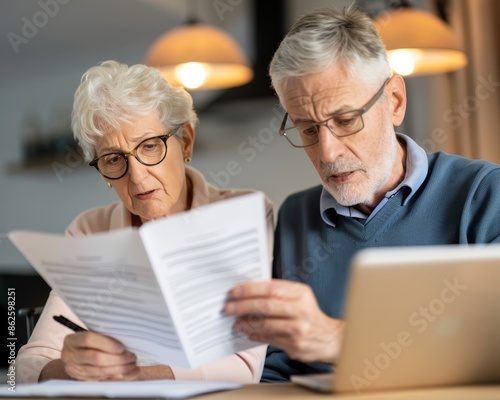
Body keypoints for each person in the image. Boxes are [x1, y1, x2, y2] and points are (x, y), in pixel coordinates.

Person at [224, 6, 500, 382]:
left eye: (345, 120)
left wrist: (340, 339)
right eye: (307, 129)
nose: (327, 153)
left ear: (395, 101)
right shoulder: (294, 215)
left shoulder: (483, 195)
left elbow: (489, 349)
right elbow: (277, 367)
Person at [16, 60, 274, 383]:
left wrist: (139, 376)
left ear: (187, 141)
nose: (137, 178)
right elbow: (24, 368)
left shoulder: (244, 213)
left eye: (150, 146)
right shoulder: (89, 231)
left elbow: (245, 367)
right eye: (113, 159)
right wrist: (70, 368)